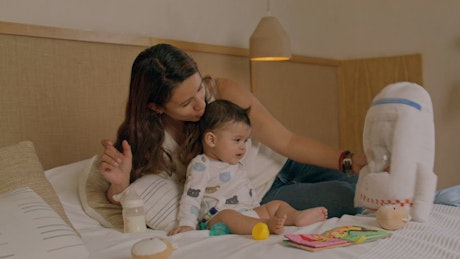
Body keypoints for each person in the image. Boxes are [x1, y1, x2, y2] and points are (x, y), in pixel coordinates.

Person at [99, 43, 367, 221]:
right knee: (351, 197)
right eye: (185, 103)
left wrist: (348, 160)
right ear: (156, 106)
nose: (200, 104)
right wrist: (119, 184)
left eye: (198, 89)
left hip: (288, 164)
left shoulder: (222, 91)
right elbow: (133, 198)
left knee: (364, 179)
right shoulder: (150, 143)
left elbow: (287, 140)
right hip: (262, 195)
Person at [168, 100, 327, 235]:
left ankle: (296, 216)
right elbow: (191, 196)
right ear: (211, 140)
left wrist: (257, 210)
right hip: (216, 217)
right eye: (237, 140)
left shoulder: (234, 163)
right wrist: (187, 223)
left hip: (249, 213)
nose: (243, 147)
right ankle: (266, 225)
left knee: (276, 205)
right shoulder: (201, 165)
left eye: (245, 141)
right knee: (228, 216)